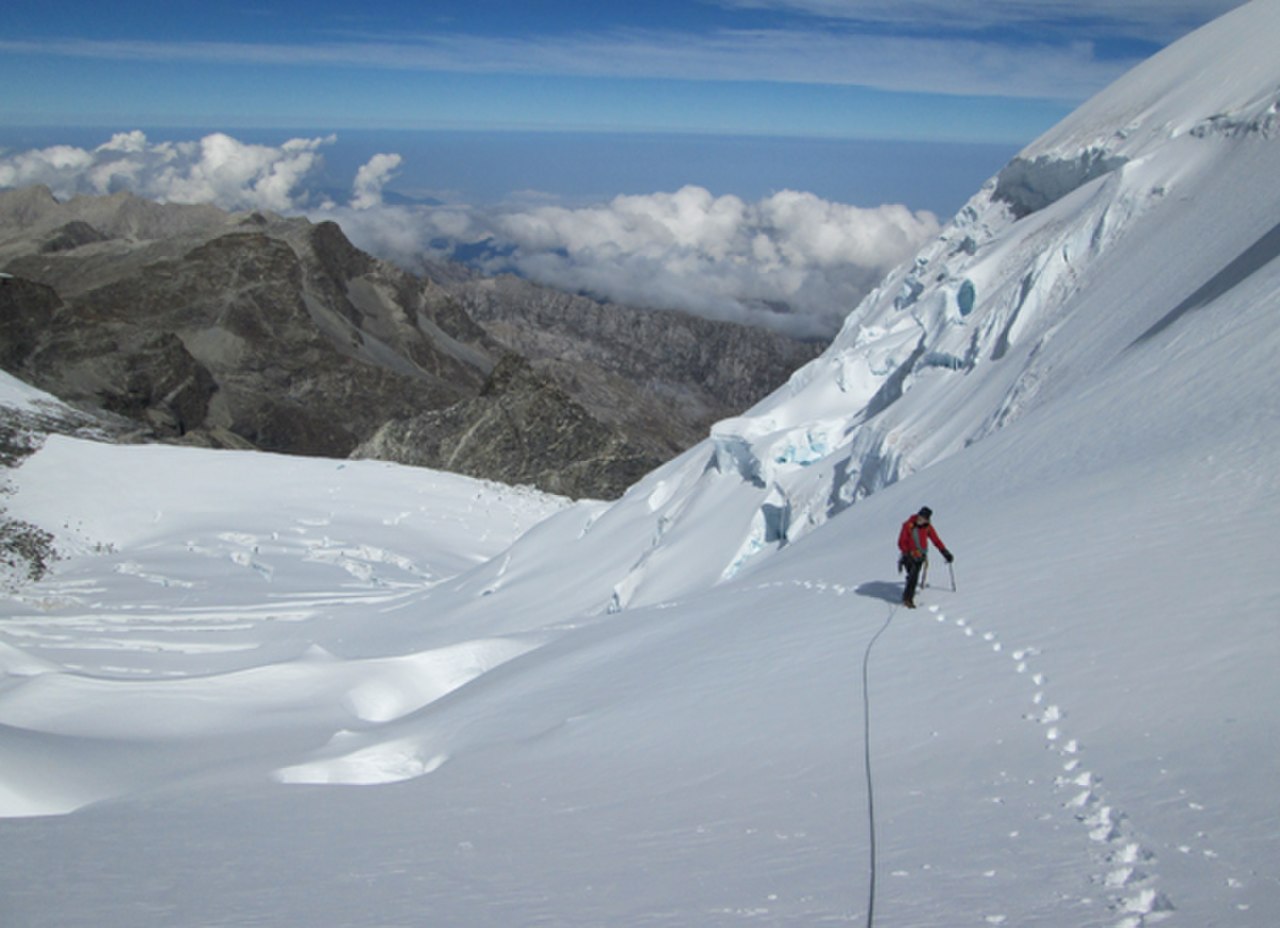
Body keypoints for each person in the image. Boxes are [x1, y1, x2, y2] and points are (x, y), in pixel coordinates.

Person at [897, 506, 953, 608]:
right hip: (908, 556)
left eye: (923, 518)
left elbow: (936, 540)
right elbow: (901, 542)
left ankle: (908, 595)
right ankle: (907, 599)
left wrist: (945, 552)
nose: (920, 519)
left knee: (913, 575)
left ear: (927, 519)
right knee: (913, 576)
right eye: (919, 516)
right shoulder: (908, 526)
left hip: (920, 556)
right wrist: (908, 553)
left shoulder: (927, 528)